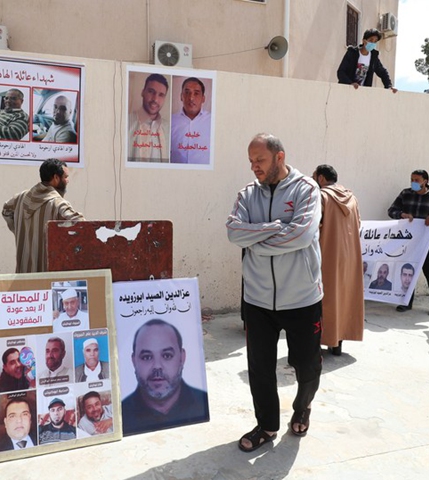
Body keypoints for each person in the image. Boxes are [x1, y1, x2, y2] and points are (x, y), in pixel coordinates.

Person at [225, 133, 323, 452]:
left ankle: (303, 407)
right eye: (251, 161)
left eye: (260, 160)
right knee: (260, 368)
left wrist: (256, 242)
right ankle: (267, 425)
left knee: (307, 365)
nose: (254, 167)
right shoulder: (247, 195)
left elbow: (302, 235)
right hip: (257, 299)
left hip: (302, 298)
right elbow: (233, 232)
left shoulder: (307, 189)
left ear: (279, 157)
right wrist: (274, 227)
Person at [121, 319, 208, 436]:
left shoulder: (201, 405)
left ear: (182, 358)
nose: (157, 366)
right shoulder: (121, 415)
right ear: (134, 361)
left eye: (167, 356)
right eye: (147, 357)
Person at [388, 169, 429, 315]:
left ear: (425, 181)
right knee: (408, 270)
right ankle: (406, 302)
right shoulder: (406, 194)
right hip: (410, 240)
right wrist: (402, 214)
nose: (413, 183)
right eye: (412, 180)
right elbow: (391, 210)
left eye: (417, 180)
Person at [313, 164, 364, 356]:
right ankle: (337, 344)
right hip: (350, 256)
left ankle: (320, 341)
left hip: (327, 254)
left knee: (323, 299)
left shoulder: (321, 196)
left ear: (321, 178)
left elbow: (312, 227)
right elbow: (358, 224)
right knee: (344, 298)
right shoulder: (352, 198)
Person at [2, 158, 85, 273]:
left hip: (23, 275)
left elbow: (6, 211)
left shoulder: (20, 198)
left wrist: (20, 230)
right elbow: (81, 224)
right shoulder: (58, 204)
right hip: (46, 277)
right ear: (56, 178)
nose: (67, 181)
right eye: (65, 177)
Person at [127, 73, 169, 162]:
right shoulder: (126, 123)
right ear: (143, 92)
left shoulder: (168, 129)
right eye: (151, 91)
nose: (155, 99)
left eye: (161, 95)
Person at [170, 77, 211, 164]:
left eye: (196, 93)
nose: (191, 98)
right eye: (187, 92)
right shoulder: (171, 121)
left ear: (203, 98)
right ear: (181, 96)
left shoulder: (212, 121)